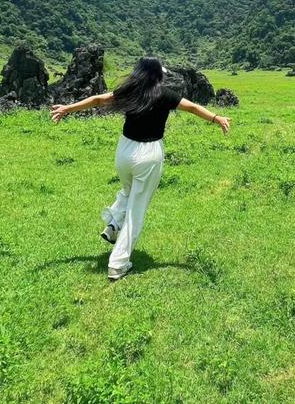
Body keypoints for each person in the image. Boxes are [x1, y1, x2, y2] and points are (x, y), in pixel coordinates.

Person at [50, 57, 231, 281]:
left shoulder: (128, 91)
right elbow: (192, 107)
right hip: (148, 155)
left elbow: (98, 99)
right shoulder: (163, 94)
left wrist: (67, 108)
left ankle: (114, 225)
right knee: (137, 210)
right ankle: (118, 264)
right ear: (157, 75)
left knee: (128, 193)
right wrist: (217, 118)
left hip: (124, 153)